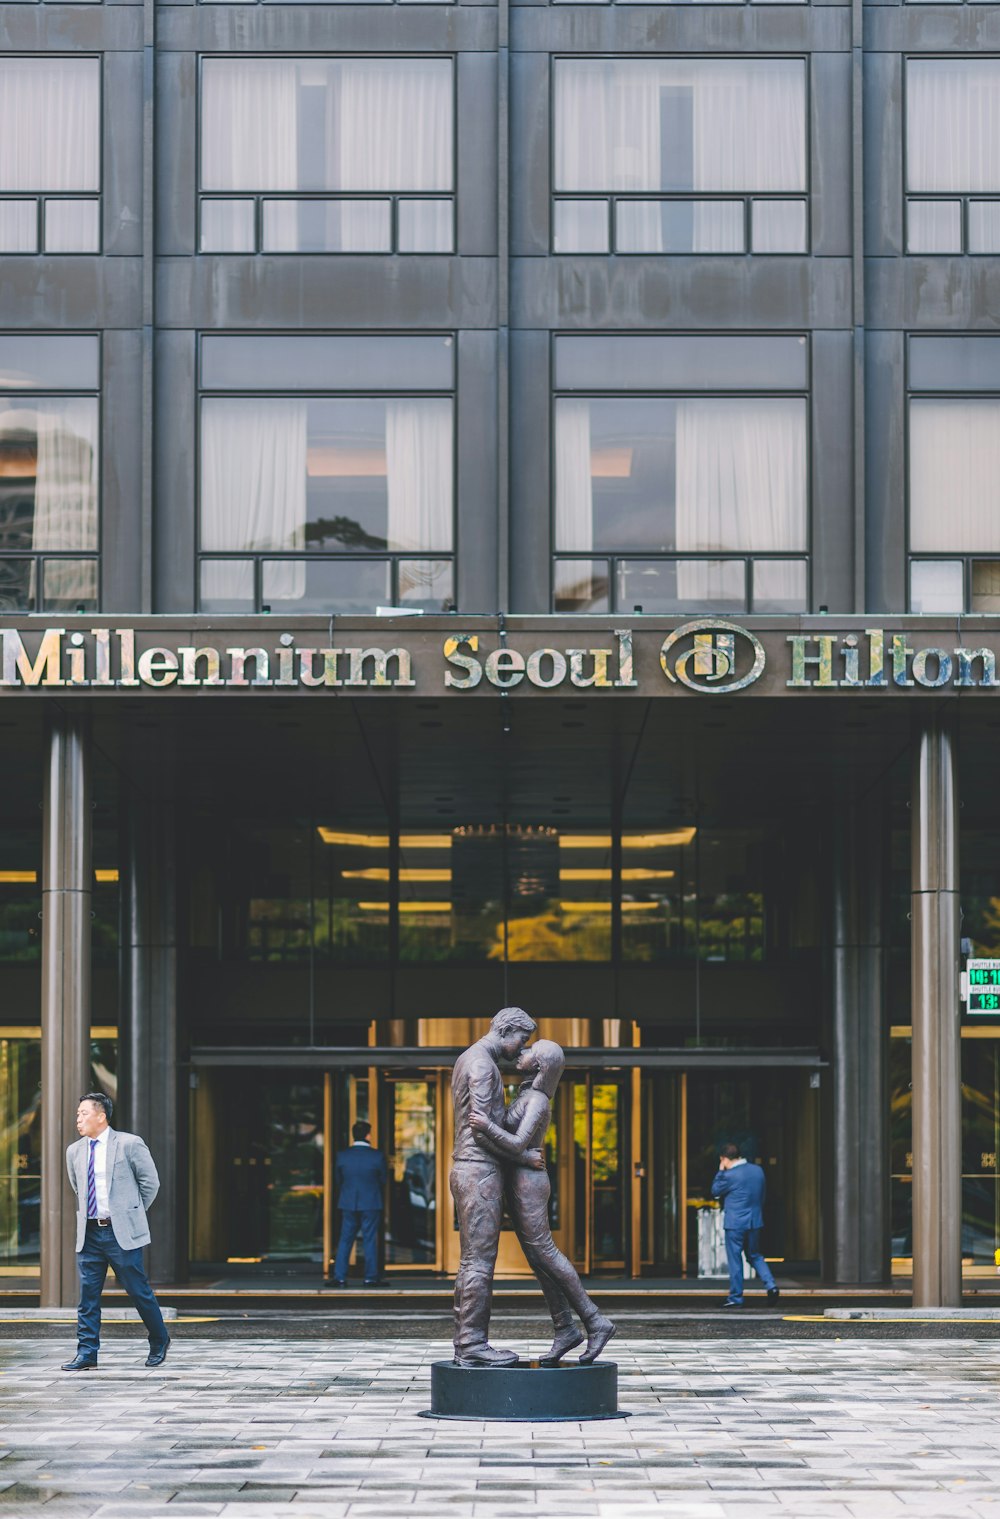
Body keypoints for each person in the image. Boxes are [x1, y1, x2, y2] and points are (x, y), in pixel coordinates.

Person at [471, 1038, 616, 1365]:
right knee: (538, 1259)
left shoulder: (537, 1100)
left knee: (546, 1252)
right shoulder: (527, 1094)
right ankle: (566, 1328)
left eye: (528, 1052)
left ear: (539, 1066)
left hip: (530, 1183)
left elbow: (519, 1142)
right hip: (522, 1177)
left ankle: (595, 1321)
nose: (521, 1053)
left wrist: (486, 1126)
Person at [449, 1006, 539, 1367]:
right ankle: (472, 1344)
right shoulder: (483, 1066)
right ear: (507, 1030)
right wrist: (521, 1156)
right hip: (479, 1170)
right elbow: (481, 1130)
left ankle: (468, 1341)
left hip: (471, 1169)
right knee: (479, 1262)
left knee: (474, 1260)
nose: (522, 1048)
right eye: (522, 1039)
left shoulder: (468, 1057)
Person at [62, 1092, 171, 1371]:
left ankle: (159, 1340)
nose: (79, 1119)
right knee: (88, 1297)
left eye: (84, 1113)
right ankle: (87, 1353)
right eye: (78, 1114)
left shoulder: (129, 1144)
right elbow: (77, 1187)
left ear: (101, 1116)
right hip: (89, 1233)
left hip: (119, 1232)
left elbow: (151, 1183)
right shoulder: (74, 1151)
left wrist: (130, 1214)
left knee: (138, 1291)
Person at [710, 1141, 780, 1309]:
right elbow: (762, 1195)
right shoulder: (758, 1171)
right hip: (754, 1220)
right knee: (755, 1255)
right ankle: (771, 1286)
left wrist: (720, 1171)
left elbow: (715, 1191)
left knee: (735, 1260)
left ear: (724, 1159)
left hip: (735, 1223)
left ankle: (736, 1297)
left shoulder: (729, 1175)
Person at [331, 1120, 388, 1286]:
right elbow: (383, 1179)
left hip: (348, 1202)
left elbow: (338, 1180)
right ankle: (370, 1277)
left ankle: (340, 1277)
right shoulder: (377, 1156)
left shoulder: (342, 1155)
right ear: (368, 1135)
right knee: (369, 1239)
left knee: (345, 1240)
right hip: (371, 1203)